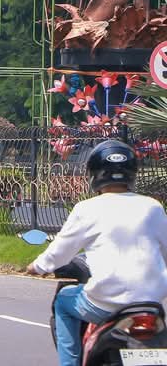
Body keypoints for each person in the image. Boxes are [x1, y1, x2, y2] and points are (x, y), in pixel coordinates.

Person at [26, 139, 167, 366]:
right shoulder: (153, 206)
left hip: (105, 304)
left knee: (63, 301)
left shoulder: (87, 209)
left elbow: (60, 251)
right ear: (132, 173)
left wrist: (37, 267)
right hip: (151, 305)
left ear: (94, 174)